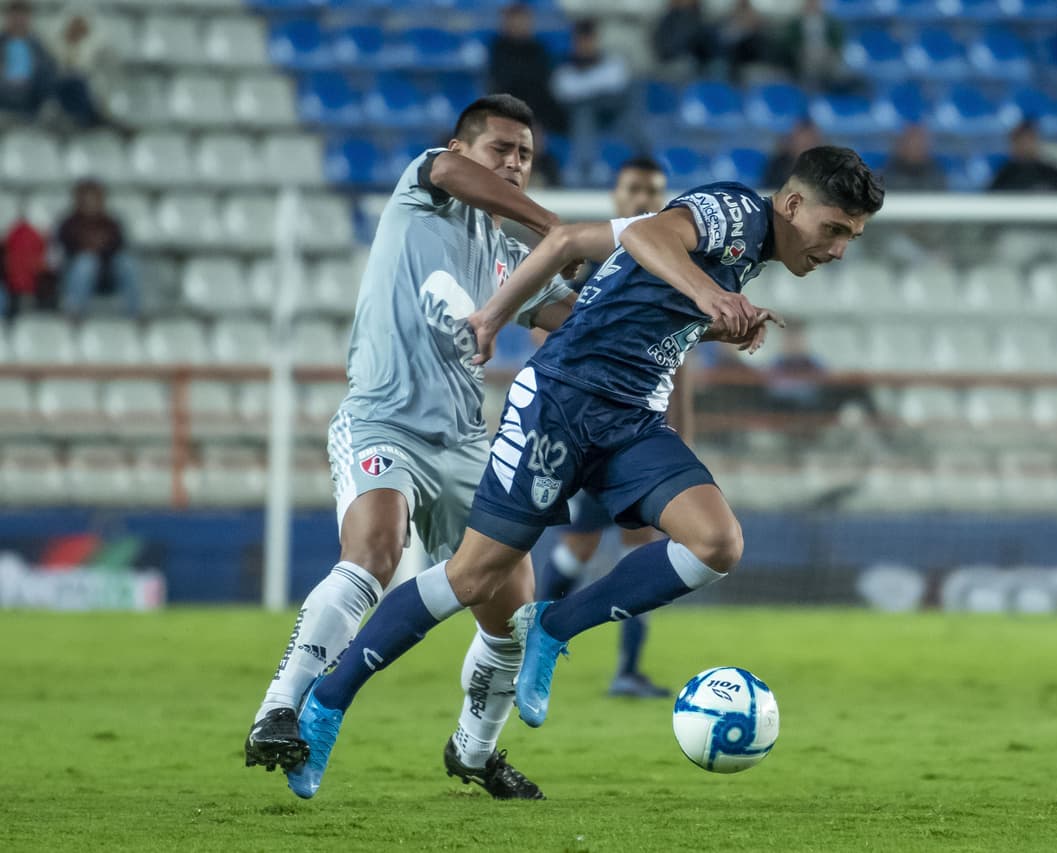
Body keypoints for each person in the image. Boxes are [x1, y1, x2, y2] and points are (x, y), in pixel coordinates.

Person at [284, 146, 883, 791]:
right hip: (559, 403)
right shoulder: (738, 212)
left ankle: (554, 624)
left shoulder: (752, 251)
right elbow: (652, 231)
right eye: (835, 229)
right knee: (472, 576)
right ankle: (327, 701)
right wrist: (711, 296)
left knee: (717, 542)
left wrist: (712, 323)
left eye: (851, 236)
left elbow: (610, 272)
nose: (839, 249)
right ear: (793, 205)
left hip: (629, 418)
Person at [243, 95, 579, 802]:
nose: (514, 162)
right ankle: (279, 707)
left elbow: (569, 314)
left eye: (525, 153)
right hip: (381, 418)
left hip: (463, 440)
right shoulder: (422, 190)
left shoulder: (508, 259)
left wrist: (676, 304)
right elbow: (453, 172)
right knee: (374, 550)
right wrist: (556, 226)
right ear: (462, 148)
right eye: (501, 149)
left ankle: (475, 750)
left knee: (514, 609)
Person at [534, 157, 672, 699]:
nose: (643, 200)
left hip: (635, 430)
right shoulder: (593, 269)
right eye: (634, 189)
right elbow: (551, 346)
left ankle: (610, 663)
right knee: (602, 547)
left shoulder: (667, 268)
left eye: (654, 193)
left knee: (606, 546)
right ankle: (554, 638)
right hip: (585, 430)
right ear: (615, 197)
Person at [550, 18, 633, 186]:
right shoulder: (563, 66)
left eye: (589, 40)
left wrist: (585, 86)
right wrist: (597, 86)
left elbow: (619, 81)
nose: (585, 45)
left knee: (633, 109)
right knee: (584, 112)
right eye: (580, 40)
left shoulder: (612, 62)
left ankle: (645, 162)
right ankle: (586, 166)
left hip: (611, 115)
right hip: (571, 121)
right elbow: (563, 90)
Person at [57, 180, 141, 318]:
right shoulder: (69, 223)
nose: (91, 203)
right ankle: (74, 312)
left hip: (108, 274)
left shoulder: (111, 223)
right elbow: (66, 248)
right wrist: (89, 248)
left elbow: (118, 245)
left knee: (127, 263)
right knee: (86, 262)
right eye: (87, 199)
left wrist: (99, 248)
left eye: (94, 198)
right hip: (76, 274)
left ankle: (134, 312)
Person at [486, 3, 565, 136]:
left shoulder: (539, 48)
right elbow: (502, 79)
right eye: (516, 21)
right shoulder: (498, 48)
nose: (520, 25)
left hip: (539, 105)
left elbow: (543, 80)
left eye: (523, 20)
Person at [986, 121, 1057, 194]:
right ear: (1013, 144)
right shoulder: (1005, 174)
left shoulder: (1051, 171)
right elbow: (992, 201)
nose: (1025, 145)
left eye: (1029, 140)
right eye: (1021, 141)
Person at [0, 0, 55, 120]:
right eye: (15, 18)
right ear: (7, 19)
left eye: (22, 18)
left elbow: (50, 69)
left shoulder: (37, 44)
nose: (18, 22)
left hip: (30, 94)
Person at [779, 0, 847, 91]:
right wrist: (799, 50)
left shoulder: (830, 22)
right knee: (810, 61)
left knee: (834, 63)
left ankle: (833, 91)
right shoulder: (795, 23)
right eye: (810, 3)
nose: (813, 5)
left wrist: (832, 49)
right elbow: (790, 42)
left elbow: (837, 40)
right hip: (805, 53)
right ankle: (812, 91)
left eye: (815, 3)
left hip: (827, 52)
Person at [881, 124, 946, 192]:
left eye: (918, 143)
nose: (914, 147)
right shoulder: (888, 173)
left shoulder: (936, 174)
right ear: (900, 145)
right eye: (910, 142)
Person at [764, 118, 824, 189]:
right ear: (792, 143)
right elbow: (769, 190)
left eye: (810, 143)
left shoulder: (826, 168)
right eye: (802, 144)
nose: (806, 150)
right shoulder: (777, 165)